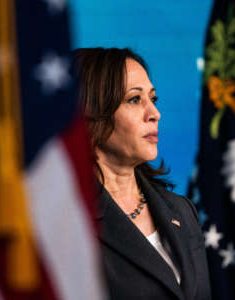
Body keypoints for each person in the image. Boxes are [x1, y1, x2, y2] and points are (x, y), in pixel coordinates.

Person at [74, 47, 211, 300]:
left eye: (153, 99)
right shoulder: (72, 222)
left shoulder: (182, 211)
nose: (154, 114)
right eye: (134, 99)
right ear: (92, 112)